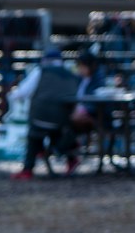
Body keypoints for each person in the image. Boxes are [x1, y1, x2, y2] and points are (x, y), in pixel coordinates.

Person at [9, 47, 81, 179]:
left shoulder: (40, 71)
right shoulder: (71, 75)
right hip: (63, 120)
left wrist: (12, 95)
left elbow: (21, 93)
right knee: (59, 130)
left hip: (40, 118)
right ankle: (70, 159)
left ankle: (28, 168)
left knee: (35, 134)